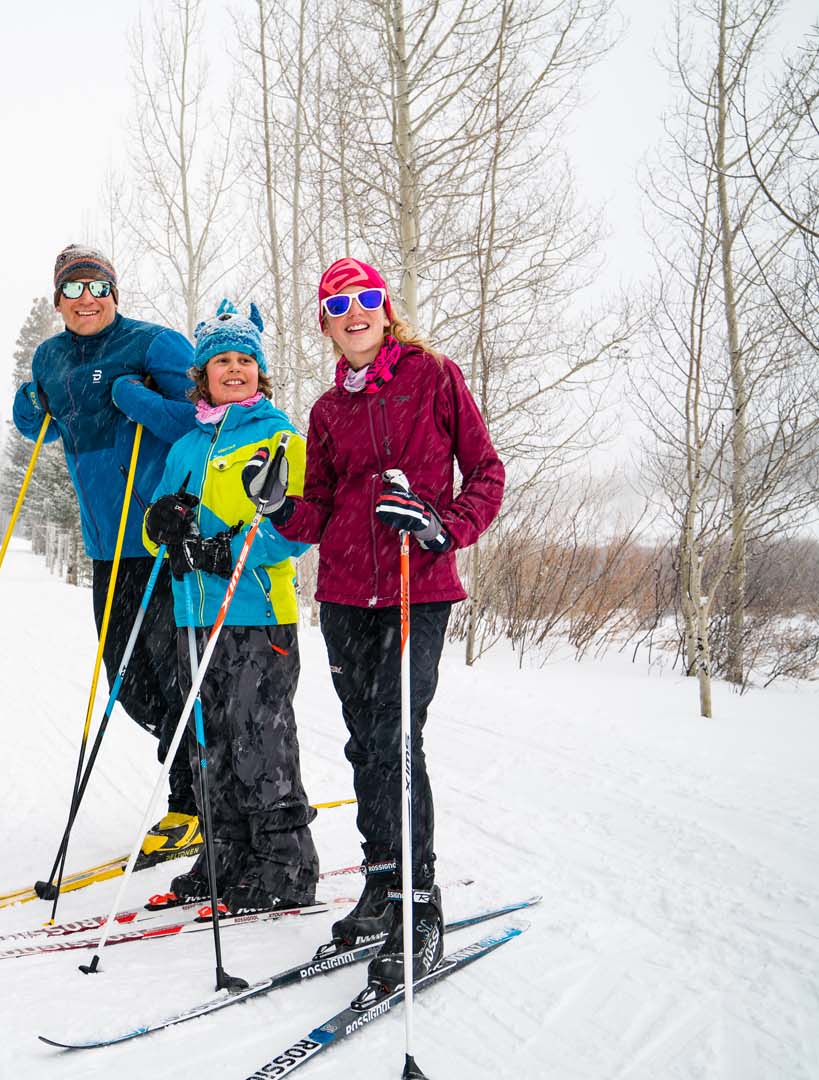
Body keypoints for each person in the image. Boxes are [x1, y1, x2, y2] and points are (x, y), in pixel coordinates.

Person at [243, 257, 504, 992]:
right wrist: (276, 506)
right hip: (346, 595)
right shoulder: (328, 411)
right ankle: (380, 887)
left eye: (364, 299)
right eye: (336, 304)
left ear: (385, 310)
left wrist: (441, 525)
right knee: (365, 743)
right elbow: (318, 513)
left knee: (398, 738)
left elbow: (486, 472)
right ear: (324, 323)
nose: (352, 312)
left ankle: (420, 906)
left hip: (414, 587)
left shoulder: (434, 376)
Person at [10, 244, 202, 862]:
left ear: (114, 293)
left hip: (163, 541)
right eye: (72, 289)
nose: (85, 298)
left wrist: (138, 399)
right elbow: (41, 426)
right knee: (130, 683)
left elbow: (205, 417)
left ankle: (196, 803)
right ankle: (208, 776)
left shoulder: (154, 345)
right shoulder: (50, 357)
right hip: (106, 549)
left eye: (97, 286)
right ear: (58, 299)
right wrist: (27, 406)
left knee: (179, 675)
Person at [141, 300, 318, 915]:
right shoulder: (188, 445)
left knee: (258, 739)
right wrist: (158, 525)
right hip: (195, 614)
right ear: (203, 374)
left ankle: (284, 862)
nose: (235, 369)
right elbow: (155, 531)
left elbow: (298, 525)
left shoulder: (279, 436)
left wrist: (225, 548)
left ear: (260, 371)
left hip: (257, 614)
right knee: (210, 741)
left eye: (245, 359)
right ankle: (226, 852)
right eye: (222, 360)